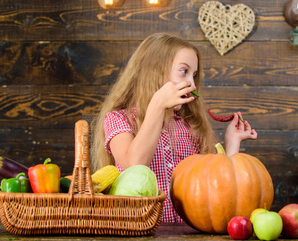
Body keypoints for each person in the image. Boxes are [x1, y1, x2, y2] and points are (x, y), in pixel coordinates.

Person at [91, 33, 257, 222]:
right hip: (139, 229)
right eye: (184, 71)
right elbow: (134, 165)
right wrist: (158, 105)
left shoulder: (191, 125)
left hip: (190, 233)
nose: (192, 84)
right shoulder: (118, 118)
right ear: (154, 71)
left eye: (194, 75)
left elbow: (219, 183)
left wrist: (232, 143)